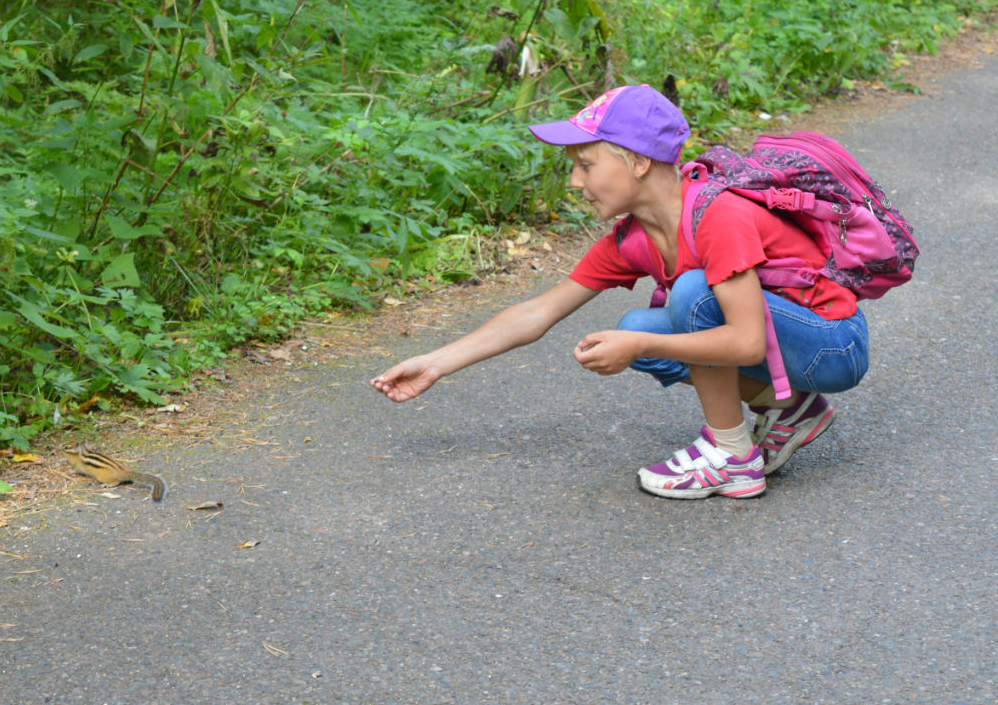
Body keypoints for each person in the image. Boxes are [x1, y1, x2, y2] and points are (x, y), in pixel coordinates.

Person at [370, 85, 869, 499]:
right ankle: (792, 409)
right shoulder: (634, 237)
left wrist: (642, 347)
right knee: (637, 326)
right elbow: (539, 312)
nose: (573, 181)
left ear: (636, 162)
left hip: (832, 344)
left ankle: (732, 456)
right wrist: (436, 363)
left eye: (585, 165)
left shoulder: (719, 215)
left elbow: (745, 345)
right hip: (786, 345)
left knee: (690, 299)